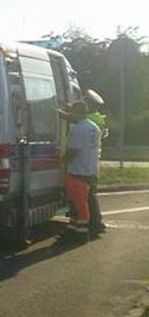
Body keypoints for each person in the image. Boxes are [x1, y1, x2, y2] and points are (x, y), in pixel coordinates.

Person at [60, 101, 101, 240]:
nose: (71, 115)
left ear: (77, 113)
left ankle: (81, 233)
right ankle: (82, 228)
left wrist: (62, 162)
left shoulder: (79, 129)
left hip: (78, 171)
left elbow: (74, 151)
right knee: (86, 202)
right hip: (90, 170)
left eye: (72, 112)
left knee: (77, 204)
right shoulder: (93, 127)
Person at [84, 91, 109, 235]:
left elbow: (75, 117)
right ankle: (95, 222)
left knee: (88, 195)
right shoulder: (98, 118)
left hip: (87, 164)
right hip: (92, 163)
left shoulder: (91, 119)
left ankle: (95, 223)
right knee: (90, 194)